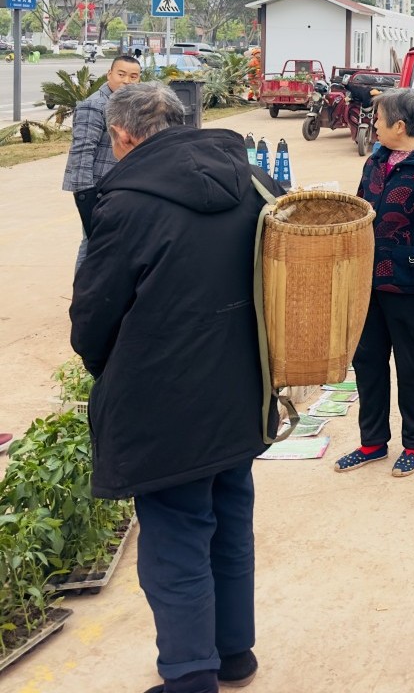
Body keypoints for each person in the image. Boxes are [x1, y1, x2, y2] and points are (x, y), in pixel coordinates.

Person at [70, 83, 284, 693]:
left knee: (175, 539)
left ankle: (190, 677)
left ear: (122, 135)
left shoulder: (127, 205)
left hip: (164, 405)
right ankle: (233, 653)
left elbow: (92, 318)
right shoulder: (253, 182)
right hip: (242, 392)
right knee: (230, 521)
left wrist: (109, 368)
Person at [333, 89, 414, 477]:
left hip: (410, 284)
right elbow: (359, 211)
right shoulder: (376, 161)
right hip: (369, 282)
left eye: (378, 118)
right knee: (367, 362)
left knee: (410, 367)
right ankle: (372, 442)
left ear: (400, 125)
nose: (373, 124)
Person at [62, 54, 142, 270]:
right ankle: (83, 288)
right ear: (109, 74)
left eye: (133, 76)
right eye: (121, 74)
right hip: (97, 189)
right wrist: (85, 195)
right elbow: (82, 152)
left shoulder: (131, 106)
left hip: (122, 187)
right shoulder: (94, 106)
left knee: (112, 242)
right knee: (92, 243)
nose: (127, 81)